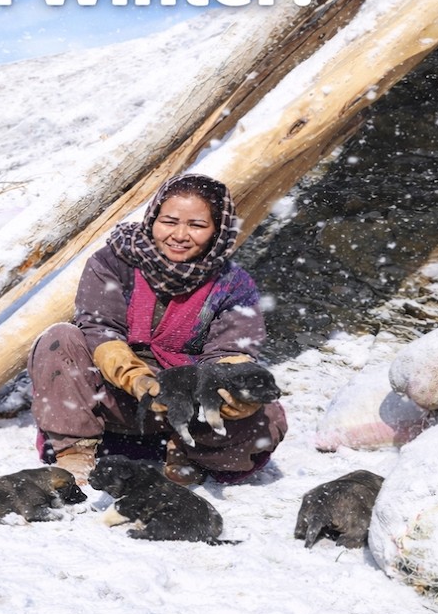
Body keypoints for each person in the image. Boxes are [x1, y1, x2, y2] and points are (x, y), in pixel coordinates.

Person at [27, 173, 287, 486]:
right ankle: (76, 452)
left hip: (191, 408)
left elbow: (231, 353)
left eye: (197, 225)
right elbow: (99, 328)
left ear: (218, 231)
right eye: (169, 221)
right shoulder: (112, 262)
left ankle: (187, 449)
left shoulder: (234, 284)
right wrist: (136, 379)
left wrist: (229, 395)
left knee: (266, 415)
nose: (179, 235)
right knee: (60, 339)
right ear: (152, 219)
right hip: (118, 398)